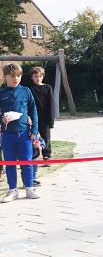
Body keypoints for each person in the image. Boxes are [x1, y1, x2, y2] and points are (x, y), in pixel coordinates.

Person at [0, 64, 40, 203]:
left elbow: (33, 111)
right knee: (10, 163)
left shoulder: (26, 91)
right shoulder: (2, 93)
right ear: (5, 77)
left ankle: (29, 188)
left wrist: (34, 131)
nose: (16, 78)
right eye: (12, 76)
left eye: (18, 76)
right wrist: (2, 119)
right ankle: (12, 190)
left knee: (27, 162)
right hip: (7, 135)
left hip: (25, 134)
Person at [27, 67, 54, 186]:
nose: (38, 78)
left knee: (46, 137)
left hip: (45, 117)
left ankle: (47, 156)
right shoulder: (30, 89)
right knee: (34, 138)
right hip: (33, 118)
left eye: (40, 76)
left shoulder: (48, 88)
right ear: (31, 77)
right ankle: (33, 157)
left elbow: (51, 104)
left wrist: (51, 120)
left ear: (42, 76)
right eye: (35, 76)